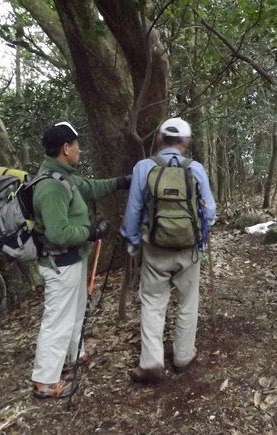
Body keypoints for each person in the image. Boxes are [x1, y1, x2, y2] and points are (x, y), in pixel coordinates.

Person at [31, 121, 131, 399]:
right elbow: (58, 232)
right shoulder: (51, 186)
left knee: (75, 310)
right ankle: (45, 381)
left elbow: (91, 188)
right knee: (58, 320)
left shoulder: (65, 177)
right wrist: (90, 232)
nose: (80, 149)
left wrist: (122, 182)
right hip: (60, 264)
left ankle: (74, 354)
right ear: (65, 148)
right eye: (76, 145)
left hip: (72, 261)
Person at [121, 117, 216, 383]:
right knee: (188, 301)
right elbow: (210, 211)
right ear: (186, 142)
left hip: (155, 248)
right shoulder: (195, 168)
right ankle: (183, 357)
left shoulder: (143, 167)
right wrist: (201, 234)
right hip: (189, 249)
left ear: (160, 139)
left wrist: (131, 239)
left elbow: (133, 209)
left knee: (152, 303)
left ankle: (151, 363)